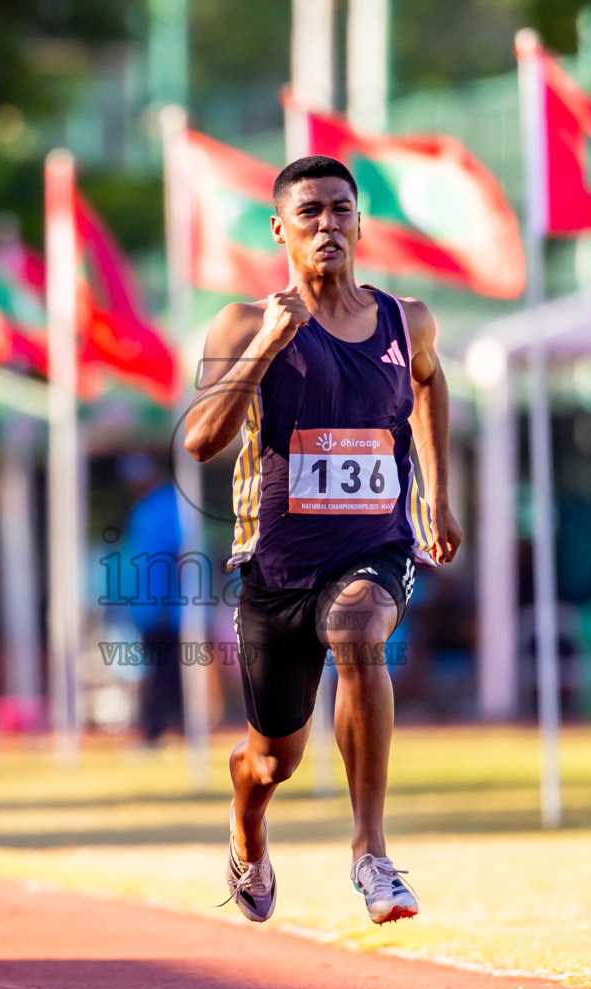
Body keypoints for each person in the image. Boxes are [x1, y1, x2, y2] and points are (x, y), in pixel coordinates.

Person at [184, 155, 462, 926]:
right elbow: (201, 440)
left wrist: (437, 494)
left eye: (341, 209)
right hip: (274, 568)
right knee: (271, 760)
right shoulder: (243, 322)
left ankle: (370, 852)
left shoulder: (408, 320)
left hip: (373, 548)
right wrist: (268, 343)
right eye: (309, 213)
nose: (327, 225)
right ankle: (247, 828)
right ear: (280, 230)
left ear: (361, 224)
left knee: (359, 628)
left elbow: (432, 383)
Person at [118, 451, 184, 744]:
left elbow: (178, 557)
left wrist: (165, 606)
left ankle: (163, 728)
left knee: (166, 672)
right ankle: (161, 727)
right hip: (148, 607)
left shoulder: (169, 505)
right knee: (156, 670)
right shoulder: (142, 509)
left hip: (165, 608)